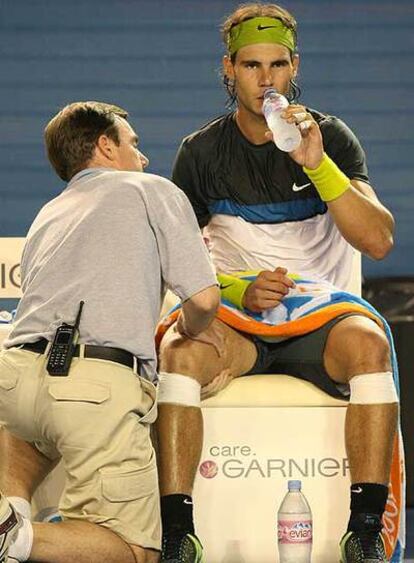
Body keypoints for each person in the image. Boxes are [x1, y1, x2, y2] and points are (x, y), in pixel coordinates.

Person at [156, 4, 399, 563]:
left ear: (293, 68)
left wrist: (317, 163)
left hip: (323, 319)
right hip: (240, 324)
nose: (265, 79)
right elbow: (173, 260)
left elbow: (379, 240)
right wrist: (236, 288)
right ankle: (177, 535)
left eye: (277, 64)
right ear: (228, 69)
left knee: (371, 344)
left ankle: (364, 534)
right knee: (178, 350)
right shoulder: (200, 153)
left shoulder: (331, 137)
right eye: (250, 65)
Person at [0, 101, 219, 563]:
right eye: (133, 144)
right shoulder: (150, 189)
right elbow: (203, 300)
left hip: (17, 379)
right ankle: (12, 537)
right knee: (132, 549)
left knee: (32, 438)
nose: (143, 158)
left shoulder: (49, 212)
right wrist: (189, 327)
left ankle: (11, 514)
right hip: (93, 386)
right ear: (105, 145)